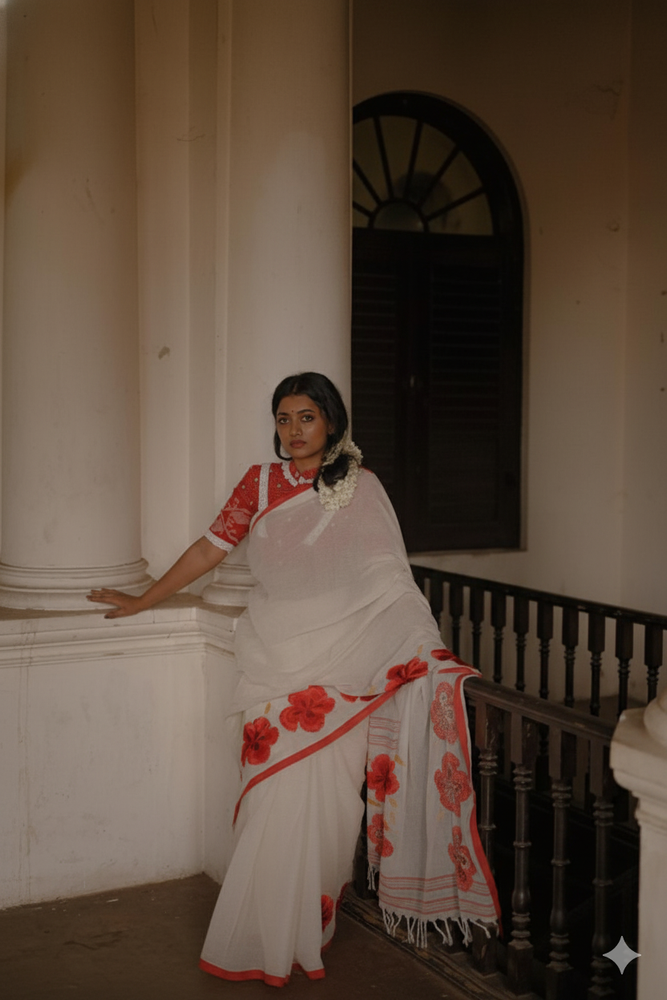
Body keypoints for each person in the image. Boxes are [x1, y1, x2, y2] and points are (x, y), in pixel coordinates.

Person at [88, 372, 499, 987]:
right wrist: (145, 599)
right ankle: (255, 937)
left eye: (306, 417)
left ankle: (304, 933)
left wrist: (427, 653)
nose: (294, 430)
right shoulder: (258, 483)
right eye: (284, 418)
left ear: (332, 422)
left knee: (331, 811)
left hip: (345, 673)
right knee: (272, 804)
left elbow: (389, 578)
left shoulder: (363, 487)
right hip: (275, 666)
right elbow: (210, 549)